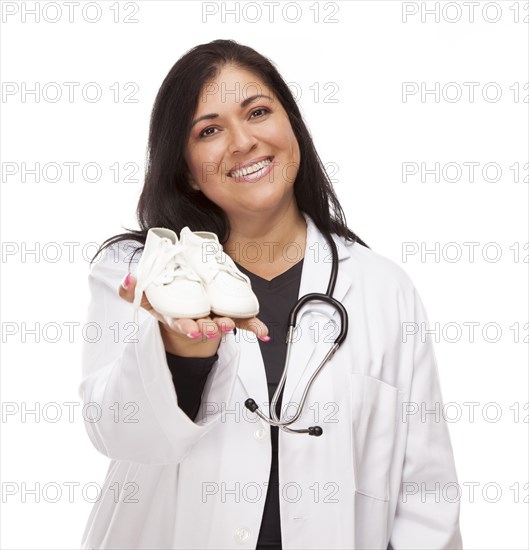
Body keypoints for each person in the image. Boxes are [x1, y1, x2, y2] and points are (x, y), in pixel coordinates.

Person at [78, 39, 463, 549]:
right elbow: (119, 434)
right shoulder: (138, 273)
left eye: (258, 112)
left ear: (292, 128)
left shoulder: (381, 289)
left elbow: (425, 500)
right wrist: (181, 352)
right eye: (209, 130)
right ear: (185, 170)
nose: (242, 141)